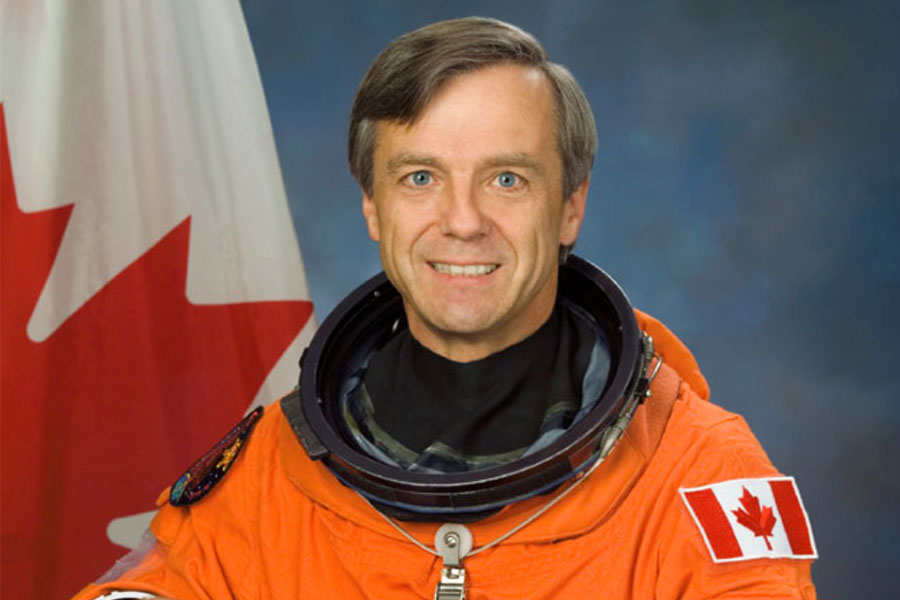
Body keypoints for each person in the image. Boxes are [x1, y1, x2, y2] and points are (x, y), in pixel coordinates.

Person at [74, 17, 817, 600]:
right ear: (373, 206)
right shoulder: (270, 469)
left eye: (506, 179)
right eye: (421, 176)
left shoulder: (697, 474)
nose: (462, 221)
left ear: (570, 208)